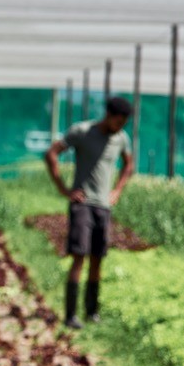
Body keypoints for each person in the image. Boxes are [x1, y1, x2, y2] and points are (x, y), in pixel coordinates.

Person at [43, 97, 134, 329]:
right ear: (108, 115)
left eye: (124, 123)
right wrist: (64, 189)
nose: (120, 127)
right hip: (82, 204)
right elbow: (52, 153)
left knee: (97, 259)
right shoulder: (82, 131)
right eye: (118, 121)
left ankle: (92, 311)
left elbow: (129, 165)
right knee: (79, 257)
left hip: (103, 206)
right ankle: (71, 314)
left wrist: (117, 191)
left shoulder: (121, 139)